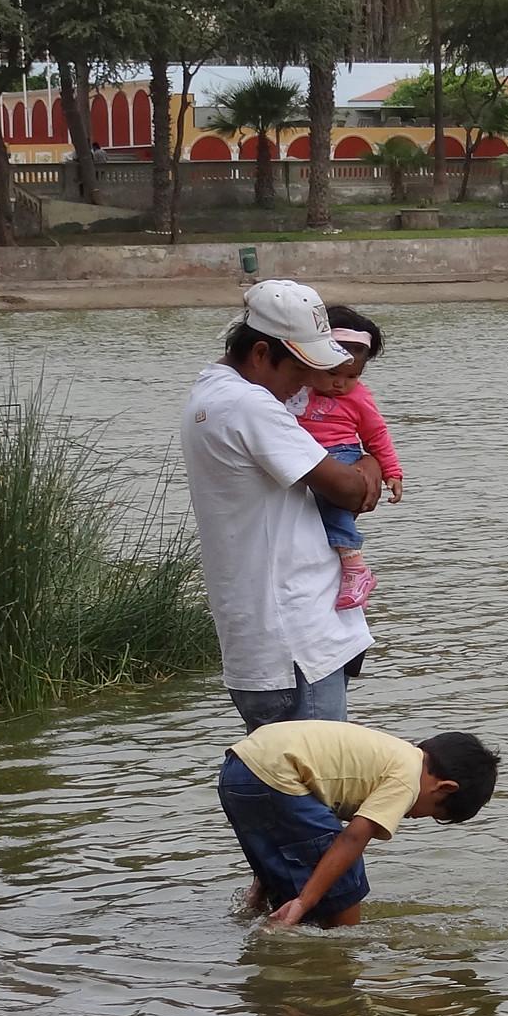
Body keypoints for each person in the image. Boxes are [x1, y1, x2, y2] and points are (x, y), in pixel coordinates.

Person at [181, 279, 382, 731]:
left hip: (260, 639)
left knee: (280, 790)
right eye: (299, 370)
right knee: (319, 787)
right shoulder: (250, 406)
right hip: (296, 641)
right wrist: (369, 460)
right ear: (259, 354)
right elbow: (351, 492)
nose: (311, 384)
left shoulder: (209, 391)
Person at [218, 721, 500, 928]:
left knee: (303, 865)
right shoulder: (408, 778)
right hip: (277, 776)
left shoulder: (391, 753)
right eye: (432, 813)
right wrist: (306, 901)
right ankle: (342, 956)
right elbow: (353, 839)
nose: (414, 816)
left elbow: (278, 835)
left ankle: (274, 926)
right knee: (344, 876)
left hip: (239, 767)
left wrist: (262, 882)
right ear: (445, 788)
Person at [292, 305, 403, 611]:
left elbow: (376, 433)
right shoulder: (298, 389)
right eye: (332, 373)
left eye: (351, 376)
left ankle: (353, 560)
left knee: (333, 498)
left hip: (341, 452)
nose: (340, 383)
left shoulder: (357, 397)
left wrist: (391, 470)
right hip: (308, 453)